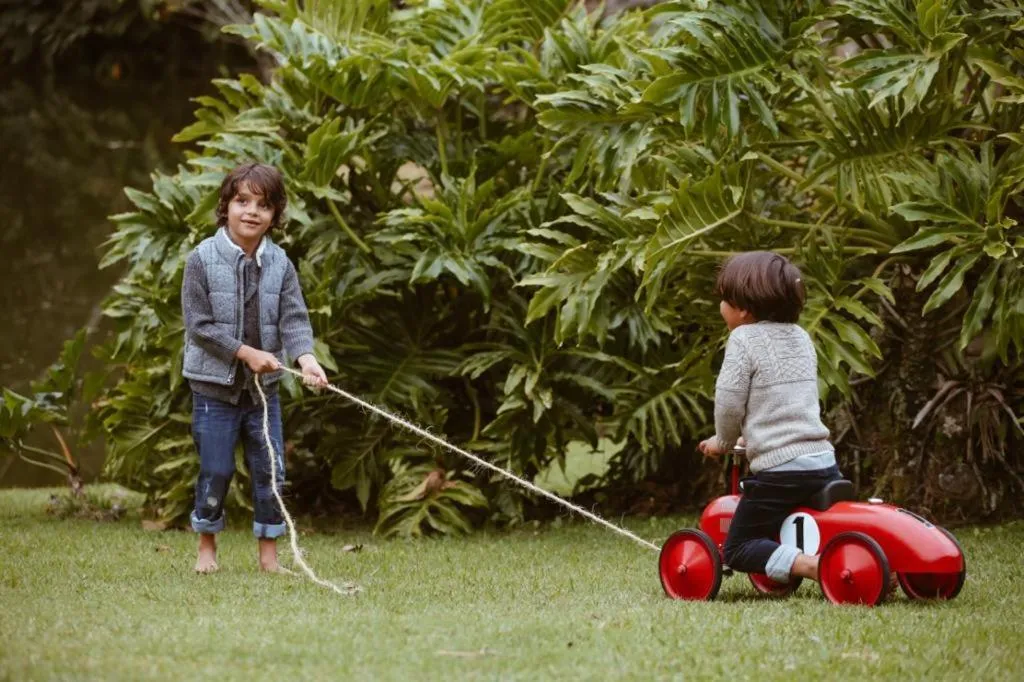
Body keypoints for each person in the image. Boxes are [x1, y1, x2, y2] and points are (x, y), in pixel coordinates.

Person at [181, 162, 328, 574]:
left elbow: (294, 318)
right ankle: (207, 549)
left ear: (275, 214)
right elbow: (199, 326)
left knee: (271, 472)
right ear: (225, 206)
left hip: (264, 393)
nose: (251, 212)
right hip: (214, 389)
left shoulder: (280, 263)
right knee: (216, 469)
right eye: (242, 201)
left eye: (263, 205)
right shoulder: (201, 260)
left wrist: (307, 359)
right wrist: (246, 353)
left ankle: (269, 557)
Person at [698, 251, 840, 585]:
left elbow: (730, 403)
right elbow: (787, 404)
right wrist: (755, 436)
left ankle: (812, 567)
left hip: (780, 473)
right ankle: (798, 561)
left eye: (723, 300)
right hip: (822, 462)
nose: (721, 307)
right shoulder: (800, 337)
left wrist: (724, 441)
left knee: (738, 547)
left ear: (742, 309)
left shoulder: (743, 339)